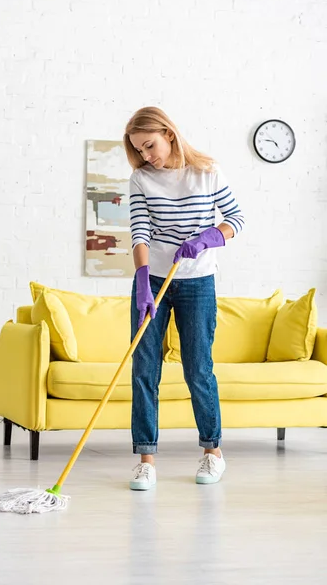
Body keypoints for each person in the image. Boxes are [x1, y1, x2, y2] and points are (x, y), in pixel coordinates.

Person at [123, 106, 245, 490]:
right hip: (154, 279)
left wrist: (208, 238)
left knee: (198, 368)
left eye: (149, 145)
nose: (146, 155)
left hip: (197, 281)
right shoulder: (141, 178)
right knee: (145, 369)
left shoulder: (206, 171)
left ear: (168, 134)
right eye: (139, 150)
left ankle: (213, 453)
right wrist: (143, 280)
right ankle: (146, 460)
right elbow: (140, 231)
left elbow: (236, 219)